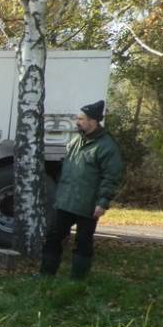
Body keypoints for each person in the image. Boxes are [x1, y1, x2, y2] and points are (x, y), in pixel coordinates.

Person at [39, 99, 123, 279]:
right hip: (65, 202)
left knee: (83, 242)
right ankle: (46, 275)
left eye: (81, 119)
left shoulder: (107, 147)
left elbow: (111, 177)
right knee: (53, 237)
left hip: (88, 205)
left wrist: (103, 203)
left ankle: (77, 281)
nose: (77, 122)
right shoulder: (75, 141)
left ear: (92, 122)